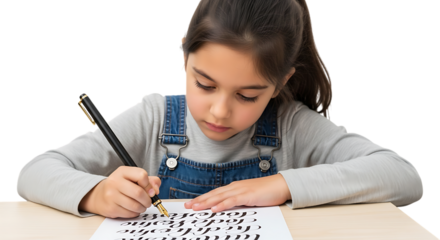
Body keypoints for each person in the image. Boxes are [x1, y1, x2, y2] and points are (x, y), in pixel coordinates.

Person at [15, 0, 424, 219]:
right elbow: (32, 172)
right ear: (184, 59)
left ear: (280, 83)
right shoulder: (155, 117)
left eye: (248, 95)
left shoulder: (293, 126)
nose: (220, 111)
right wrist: (95, 193)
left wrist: (281, 185)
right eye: (204, 84)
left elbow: (404, 176)